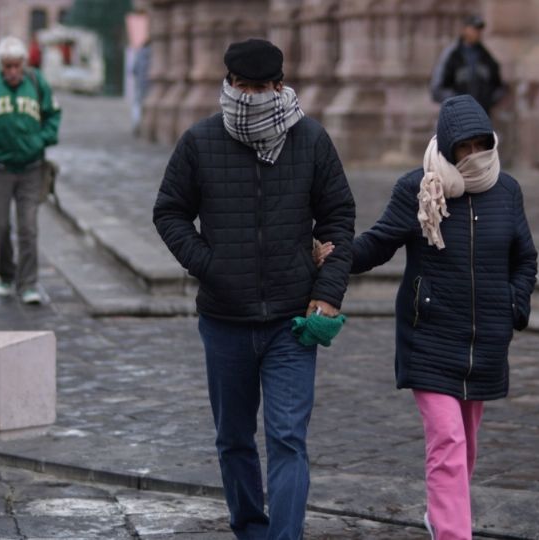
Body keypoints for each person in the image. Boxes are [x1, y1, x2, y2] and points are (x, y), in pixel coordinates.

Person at [153, 38, 356, 540]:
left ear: (279, 86)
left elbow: (338, 218)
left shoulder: (311, 139)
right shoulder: (200, 141)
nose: (252, 97)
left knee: (288, 438)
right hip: (224, 319)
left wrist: (328, 291)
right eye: (242, 87)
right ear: (228, 84)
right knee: (234, 438)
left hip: (292, 321)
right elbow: (169, 211)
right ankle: (250, 528)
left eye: (261, 88)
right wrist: (210, 264)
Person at [315, 95, 537, 540]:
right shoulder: (418, 188)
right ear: (449, 145)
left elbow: (525, 259)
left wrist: (515, 306)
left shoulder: (507, 190)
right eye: (465, 147)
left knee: (466, 445)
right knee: (449, 442)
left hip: (485, 342)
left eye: (481, 144)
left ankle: (441, 513)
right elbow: (379, 243)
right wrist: (336, 256)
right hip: (430, 337)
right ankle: (454, 533)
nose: (474, 155)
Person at [0, 36, 62, 304]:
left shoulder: (36, 82)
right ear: (0, 66)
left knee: (28, 227)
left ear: (24, 64)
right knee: (1, 225)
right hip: (0, 168)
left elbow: (53, 114)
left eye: (17, 65)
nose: (13, 72)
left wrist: (41, 140)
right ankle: (6, 274)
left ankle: (28, 283)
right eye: (7, 66)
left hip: (32, 167)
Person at [430, 15, 506, 115]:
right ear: (464, 29)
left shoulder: (486, 57)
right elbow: (437, 89)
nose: (477, 33)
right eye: (474, 28)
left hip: (481, 116)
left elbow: (499, 86)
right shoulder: (452, 55)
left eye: (479, 30)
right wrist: (457, 102)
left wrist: (488, 101)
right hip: (457, 117)